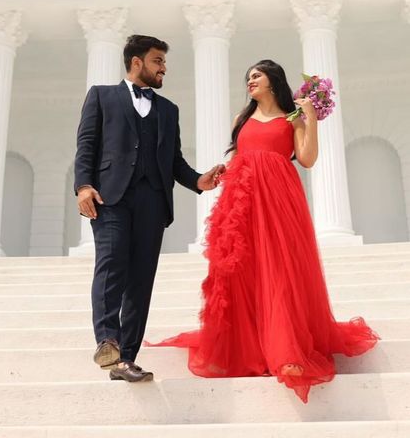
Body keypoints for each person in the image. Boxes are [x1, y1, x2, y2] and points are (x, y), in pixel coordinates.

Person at [147, 59, 379, 402]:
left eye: (256, 75)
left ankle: (287, 349)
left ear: (274, 80)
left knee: (280, 269)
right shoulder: (242, 119)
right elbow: (241, 155)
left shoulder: (293, 117)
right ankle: (249, 348)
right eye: (248, 78)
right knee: (243, 271)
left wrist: (310, 119)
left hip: (279, 198)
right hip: (243, 200)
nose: (250, 81)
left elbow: (308, 158)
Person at [74, 34, 224, 383]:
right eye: (158, 61)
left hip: (153, 202)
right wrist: (82, 186)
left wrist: (200, 180)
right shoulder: (101, 95)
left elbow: (174, 162)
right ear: (137, 62)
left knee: (141, 281)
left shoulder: (168, 110)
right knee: (111, 266)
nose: (164, 69)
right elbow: (86, 145)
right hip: (109, 198)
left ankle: (125, 358)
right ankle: (107, 341)